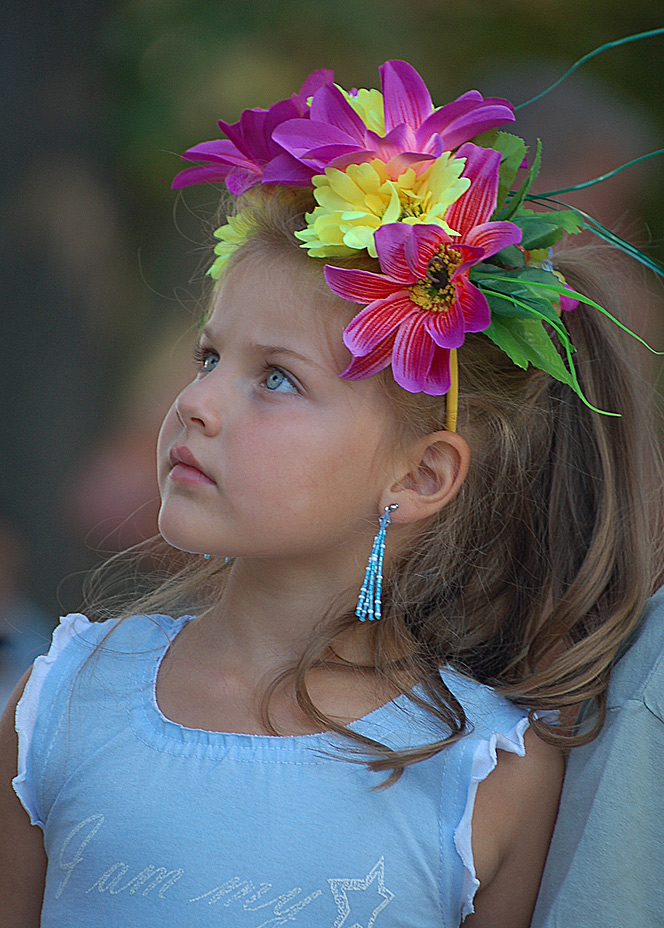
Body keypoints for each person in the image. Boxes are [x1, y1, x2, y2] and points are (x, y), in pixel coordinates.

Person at [1, 56, 662, 928]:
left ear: (421, 476)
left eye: (275, 379)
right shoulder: (55, 703)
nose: (195, 403)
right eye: (209, 357)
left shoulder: (485, 775)